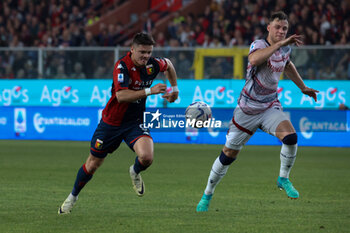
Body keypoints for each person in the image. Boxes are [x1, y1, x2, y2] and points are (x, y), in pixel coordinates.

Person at [196, 11, 319, 212]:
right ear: (268, 28)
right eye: (278, 27)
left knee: (290, 137)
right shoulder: (259, 45)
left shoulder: (285, 47)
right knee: (228, 154)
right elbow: (254, 61)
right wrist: (279, 44)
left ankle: (283, 179)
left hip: (269, 106)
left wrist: (302, 87)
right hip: (247, 109)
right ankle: (207, 194)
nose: (281, 31)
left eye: (284, 28)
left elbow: (287, 65)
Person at [58, 32, 179, 214]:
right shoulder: (122, 66)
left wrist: (175, 89)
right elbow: (121, 96)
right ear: (132, 49)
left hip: (134, 123)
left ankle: (135, 171)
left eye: (149, 52)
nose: (146, 56)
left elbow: (168, 64)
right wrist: (149, 91)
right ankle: (72, 197)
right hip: (111, 123)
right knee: (92, 165)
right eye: (142, 52)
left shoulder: (152, 64)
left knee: (147, 157)